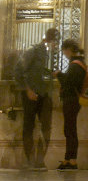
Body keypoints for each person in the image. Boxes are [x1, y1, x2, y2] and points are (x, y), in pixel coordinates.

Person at [13, 27, 59, 169]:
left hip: (45, 95)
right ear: (46, 40)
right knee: (29, 126)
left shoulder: (49, 55)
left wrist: (51, 74)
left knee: (46, 127)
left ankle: (40, 160)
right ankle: (30, 159)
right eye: (53, 42)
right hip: (31, 94)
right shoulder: (32, 51)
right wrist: (27, 89)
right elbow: (18, 70)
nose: (54, 46)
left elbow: (41, 71)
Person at [55, 38, 86, 170]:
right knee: (70, 129)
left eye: (64, 51)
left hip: (71, 100)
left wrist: (58, 75)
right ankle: (69, 159)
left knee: (70, 130)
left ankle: (71, 160)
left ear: (68, 50)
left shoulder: (75, 65)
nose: (64, 54)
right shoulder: (80, 63)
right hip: (74, 100)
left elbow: (69, 82)